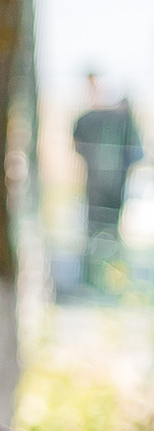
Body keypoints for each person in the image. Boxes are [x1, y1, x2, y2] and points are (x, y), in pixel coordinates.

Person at [73, 71, 140, 293]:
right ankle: (91, 280)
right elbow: (78, 144)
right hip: (95, 190)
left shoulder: (121, 120)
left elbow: (135, 153)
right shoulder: (88, 119)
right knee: (92, 234)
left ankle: (115, 281)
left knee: (112, 235)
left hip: (114, 189)